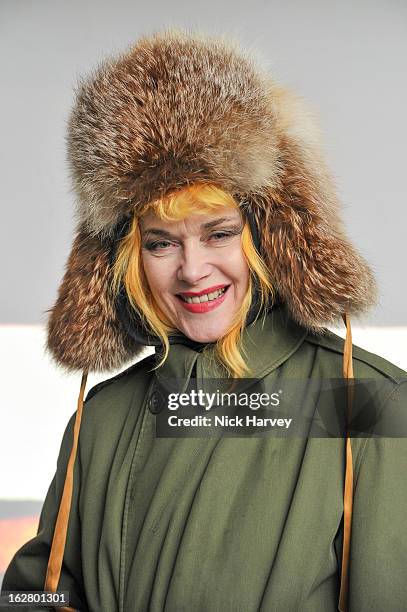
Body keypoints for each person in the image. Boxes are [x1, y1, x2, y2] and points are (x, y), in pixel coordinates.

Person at [2, 29, 407, 612]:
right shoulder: (104, 418)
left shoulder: (365, 403)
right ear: (126, 256)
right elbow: (34, 589)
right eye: (161, 243)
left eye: (219, 234)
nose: (193, 270)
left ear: (272, 236)